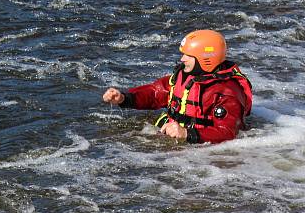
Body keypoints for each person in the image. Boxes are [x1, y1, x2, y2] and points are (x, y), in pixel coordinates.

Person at [102, 29, 253, 144]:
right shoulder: (183, 76)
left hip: (202, 149)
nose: (182, 59)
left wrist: (187, 133)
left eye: (188, 56)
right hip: (174, 135)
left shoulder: (228, 92)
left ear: (205, 59)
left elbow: (227, 132)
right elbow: (155, 93)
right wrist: (124, 98)